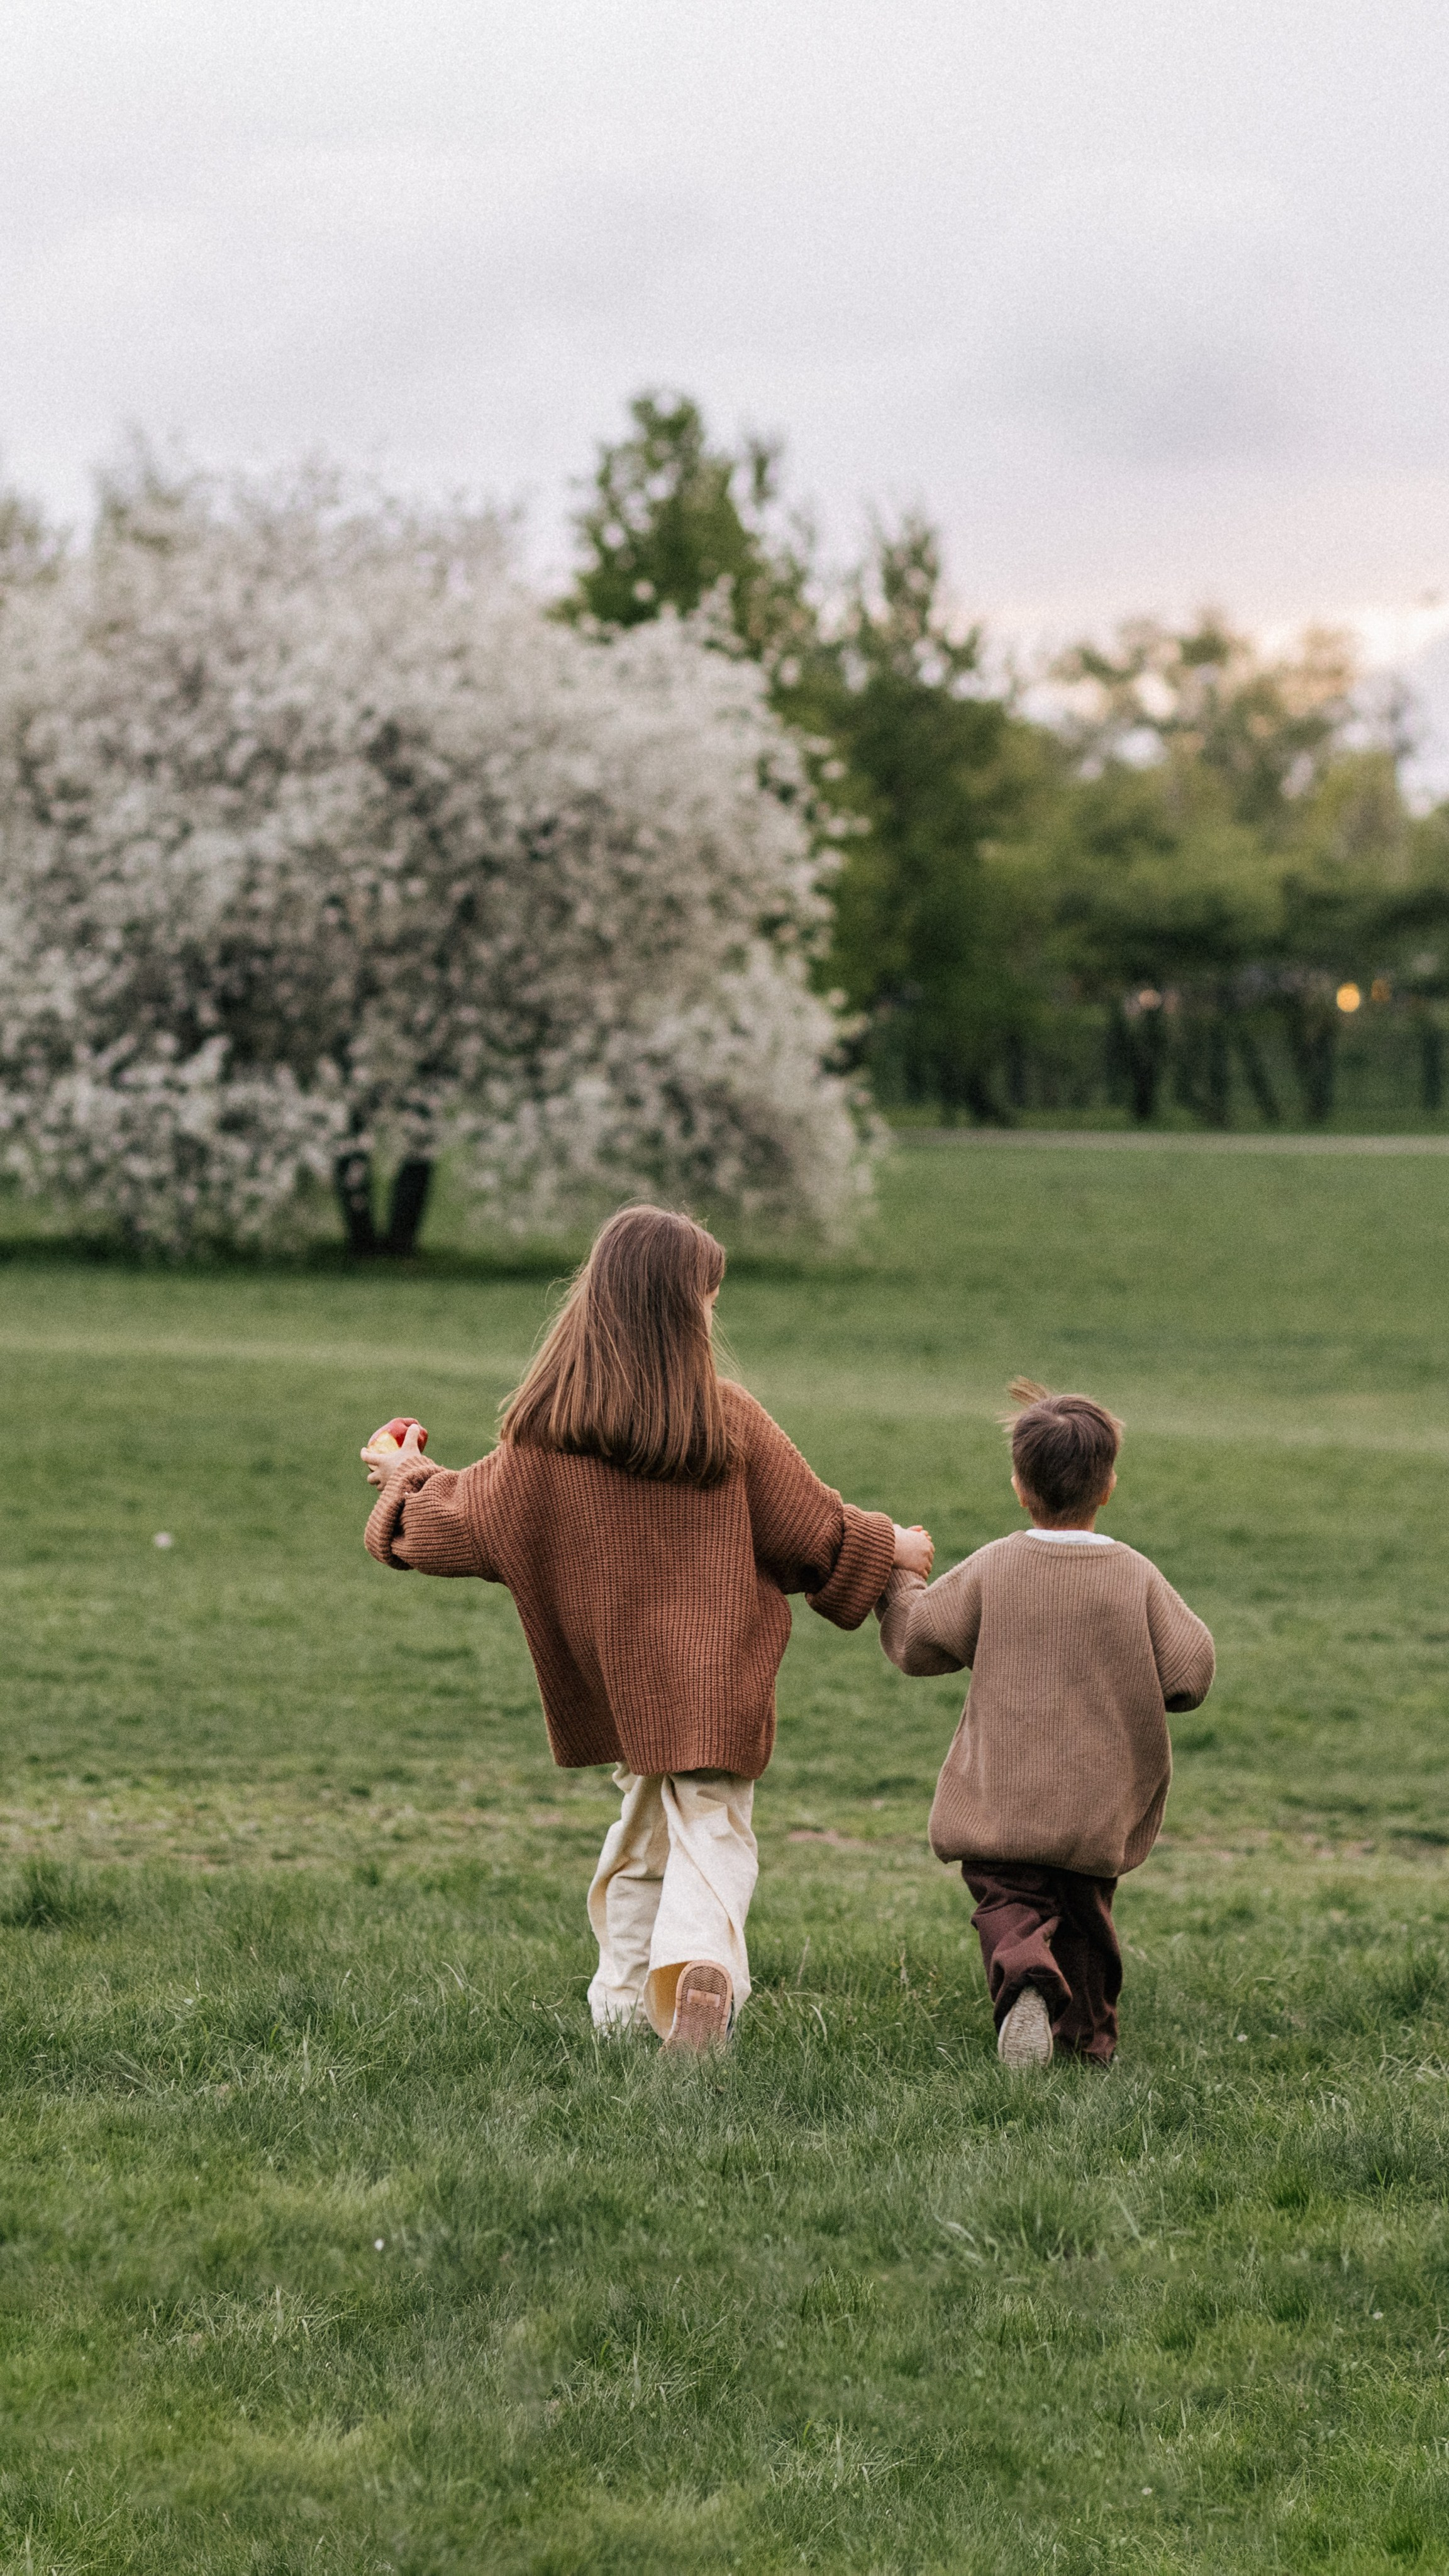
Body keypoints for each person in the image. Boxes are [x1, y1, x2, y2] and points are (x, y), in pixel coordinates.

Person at [362, 1206, 934, 2053]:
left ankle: (625, 2006)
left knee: (638, 1845)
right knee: (711, 1833)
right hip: (718, 1690)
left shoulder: (541, 1442)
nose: (712, 1315)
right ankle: (699, 1973)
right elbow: (816, 1535)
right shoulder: (728, 1424)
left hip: (620, 1697)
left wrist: (400, 1471)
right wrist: (896, 1546)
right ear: (679, 1313)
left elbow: (448, 1521)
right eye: (707, 1299)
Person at [876, 1379, 1213, 2068]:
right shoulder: (1135, 1576)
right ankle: (1088, 2045)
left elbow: (917, 1641)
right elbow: (1191, 1671)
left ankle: (1026, 1976)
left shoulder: (995, 1566)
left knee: (1007, 1903)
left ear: (1018, 1487)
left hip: (1002, 1799)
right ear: (1109, 1485)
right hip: (1096, 1806)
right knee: (1088, 1928)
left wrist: (898, 1577)